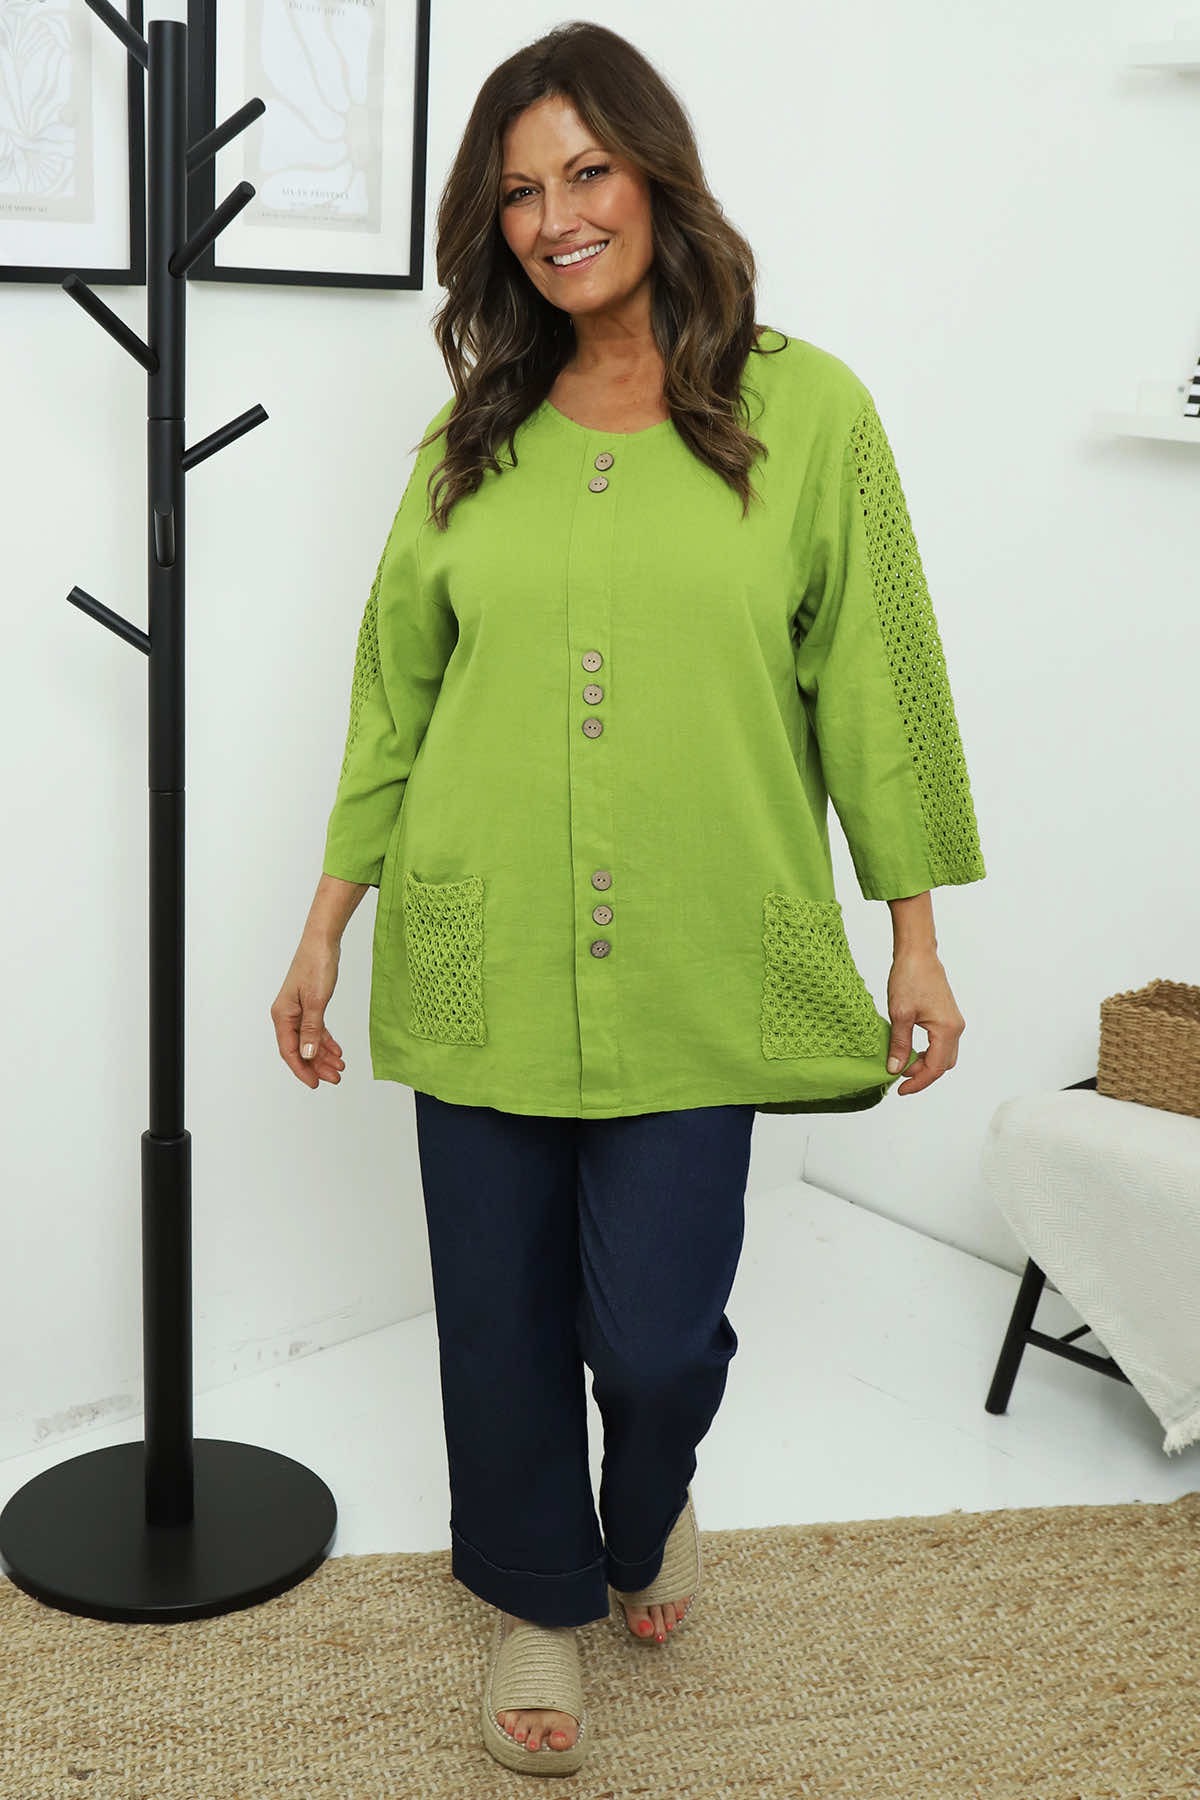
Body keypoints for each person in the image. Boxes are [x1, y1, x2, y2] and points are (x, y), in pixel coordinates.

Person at [270, 21, 986, 1777]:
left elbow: (878, 686)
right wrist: (326, 922)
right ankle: (538, 1599)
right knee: (499, 1317)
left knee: (654, 1340)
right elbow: (394, 697)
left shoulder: (808, 413)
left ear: (659, 176)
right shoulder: (471, 437)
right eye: (518, 192)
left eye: (586, 172)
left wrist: (914, 937)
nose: (556, 218)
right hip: (483, 946)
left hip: (695, 958)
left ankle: (648, 1499)